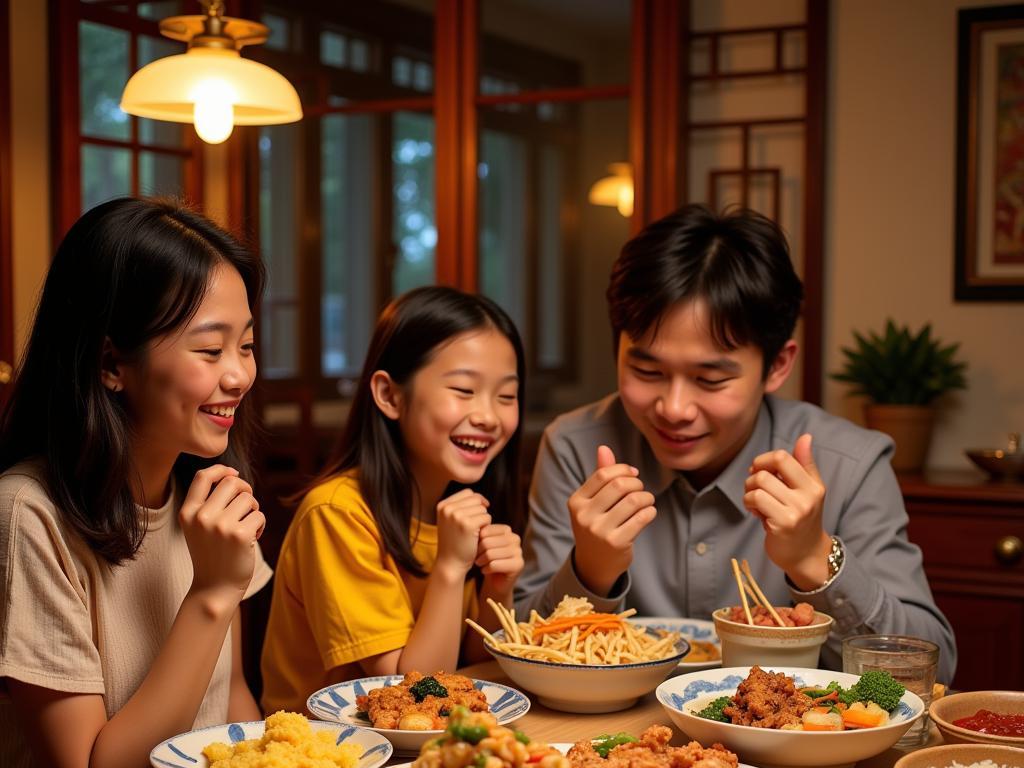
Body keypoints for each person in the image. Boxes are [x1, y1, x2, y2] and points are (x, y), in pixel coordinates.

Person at [516, 204, 956, 680]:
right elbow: (517, 642)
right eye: (646, 371)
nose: (674, 408)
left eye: (710, 379)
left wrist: (815, 559)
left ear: (777, 366)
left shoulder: (852, 463)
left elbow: (930, 669)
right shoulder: (575, 447)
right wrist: (591, 570)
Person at [0, 196, 271, 768]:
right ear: (111, 362)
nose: (239, 376)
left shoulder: (209, 493)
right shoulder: (26, 514)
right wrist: (213, 593)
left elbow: (231, 705)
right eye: (210, 351)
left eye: (247, 345)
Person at [260, 286, 526, 714]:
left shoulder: (458, 506)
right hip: (324, 753)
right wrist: (451, 566)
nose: (489, 416)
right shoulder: (337, 513)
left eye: (507, 396)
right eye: (463, 389)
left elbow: (477, 670)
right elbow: (413, 697)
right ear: (389, 395)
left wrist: (500, 588)